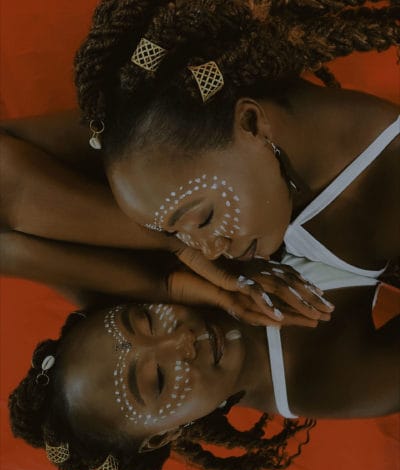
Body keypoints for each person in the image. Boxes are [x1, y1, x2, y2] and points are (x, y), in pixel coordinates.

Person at [2, 0, 399, 329]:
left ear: (251, 123)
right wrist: (176, 251)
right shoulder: (170, 134)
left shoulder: (385, 183)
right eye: (186, 233)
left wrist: (173, 266)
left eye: (204, 218)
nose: (210, 252)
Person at [9, 255, 400, 470]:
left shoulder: (180, 248)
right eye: (158, 380)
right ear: (163, 436)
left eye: (146, 319)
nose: (179, 341)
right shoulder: (327, 381)